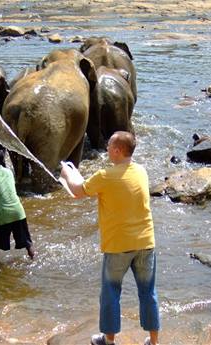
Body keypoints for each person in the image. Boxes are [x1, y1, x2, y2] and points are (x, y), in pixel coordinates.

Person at [60, 131, 160, 345]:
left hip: (118, 246)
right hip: (146, 242)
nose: (106, 149)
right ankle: (153, 341)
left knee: (111, 293)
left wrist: (66, 171)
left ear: (117, 150)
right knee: (148, 293)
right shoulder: (141, 171)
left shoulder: (105, 175)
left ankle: (109, 340)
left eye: (109, 146)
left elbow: (78, 191)